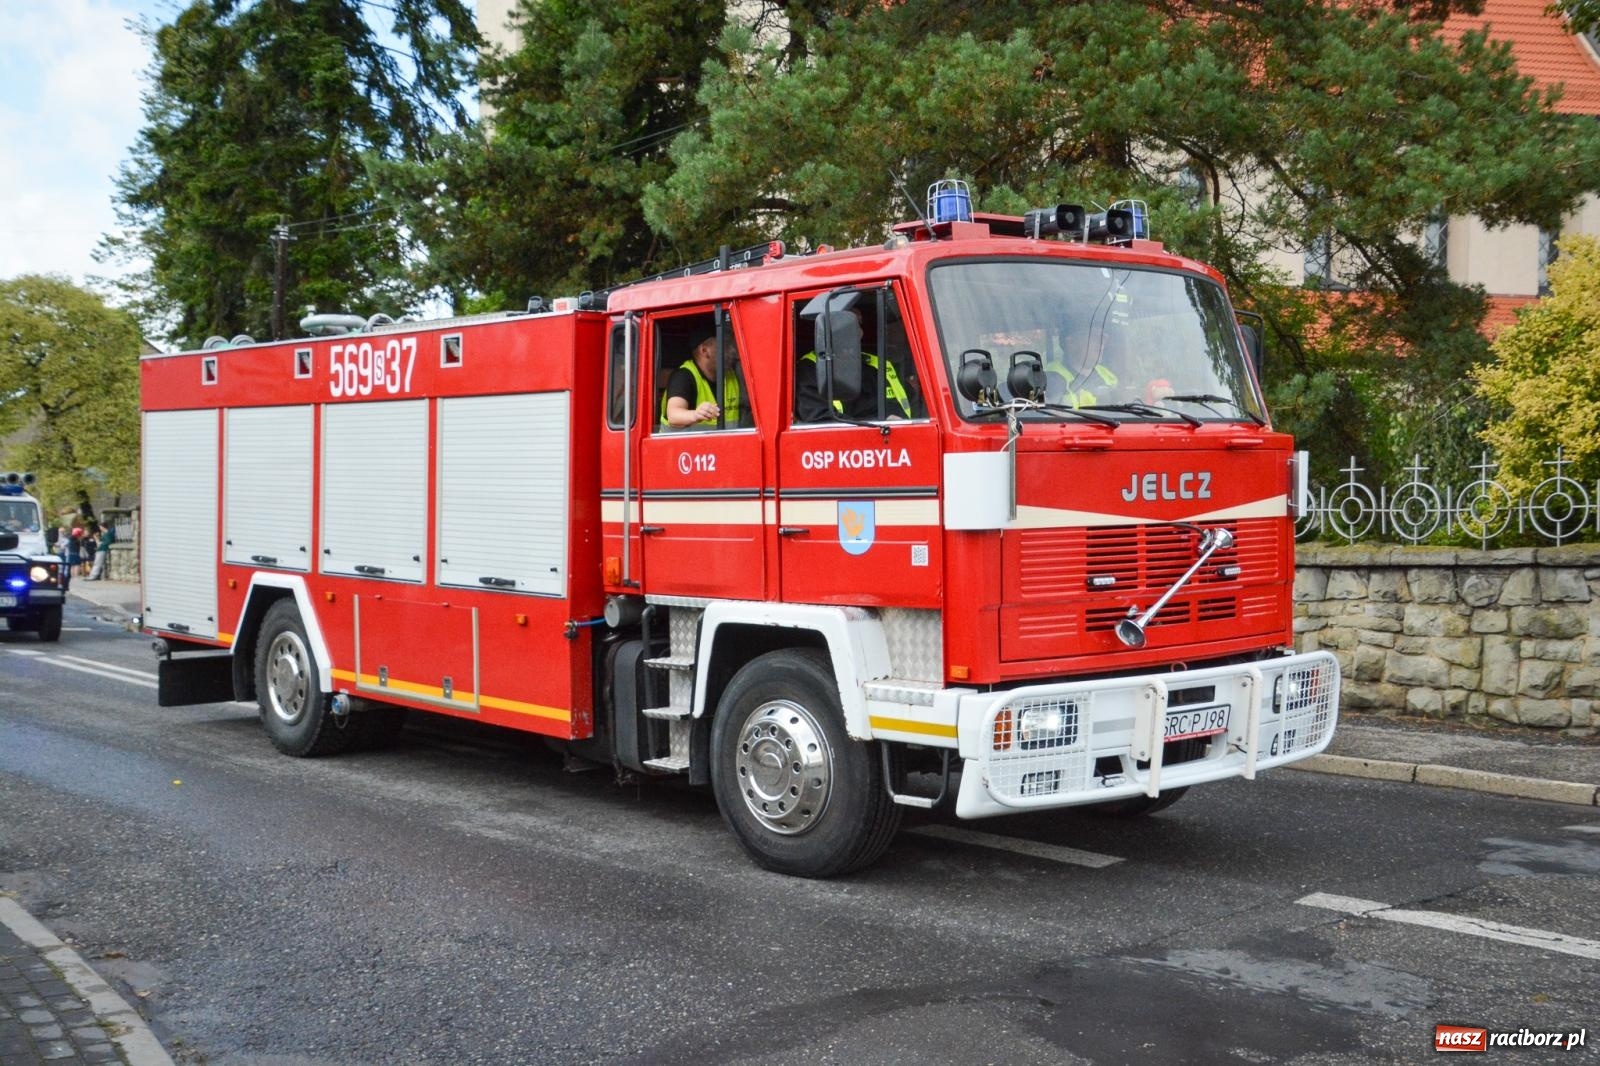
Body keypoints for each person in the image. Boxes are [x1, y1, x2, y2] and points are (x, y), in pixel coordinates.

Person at [796, 308, 918, 422]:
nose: (860, 332)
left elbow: (917, 406)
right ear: (829, 331)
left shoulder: (878, 364)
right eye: (850, 325)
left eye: (859, 323)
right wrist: (880, 427)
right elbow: (822, 425)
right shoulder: (809, 370)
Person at [660, 332, 745, 430]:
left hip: (724, 444)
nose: (733, 351)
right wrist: (695, 414)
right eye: (726, 346)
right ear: (705, 351)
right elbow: (674, 416)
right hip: (683, 445)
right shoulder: (684, 376)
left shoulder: (730, 374)